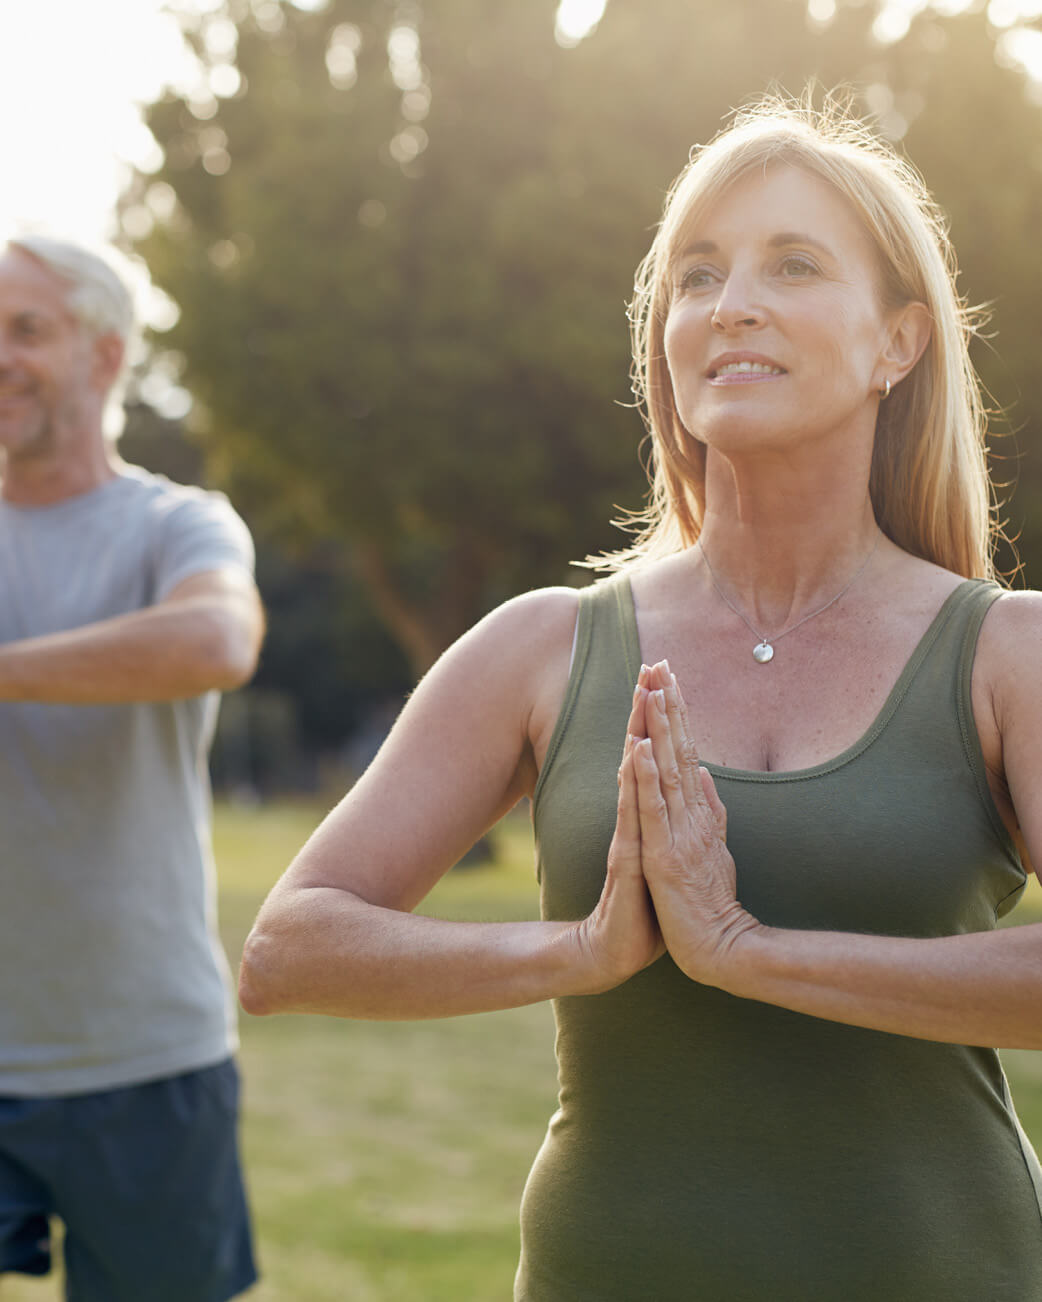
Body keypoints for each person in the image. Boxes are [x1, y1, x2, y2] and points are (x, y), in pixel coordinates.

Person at [238, 94, 1042, 1300]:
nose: (731, 305)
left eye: (794, 264)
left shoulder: (1004, 655)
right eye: (696, 275)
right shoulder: (542, 647)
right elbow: (290, 949)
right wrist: (581, 949)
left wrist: (746, 952)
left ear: (899, 343)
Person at [0, 234, 264, 1300]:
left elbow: (215, 644)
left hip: (146, 1058)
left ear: (106, 358)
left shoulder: (179, 525)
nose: (0, 356)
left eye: (26, 330)